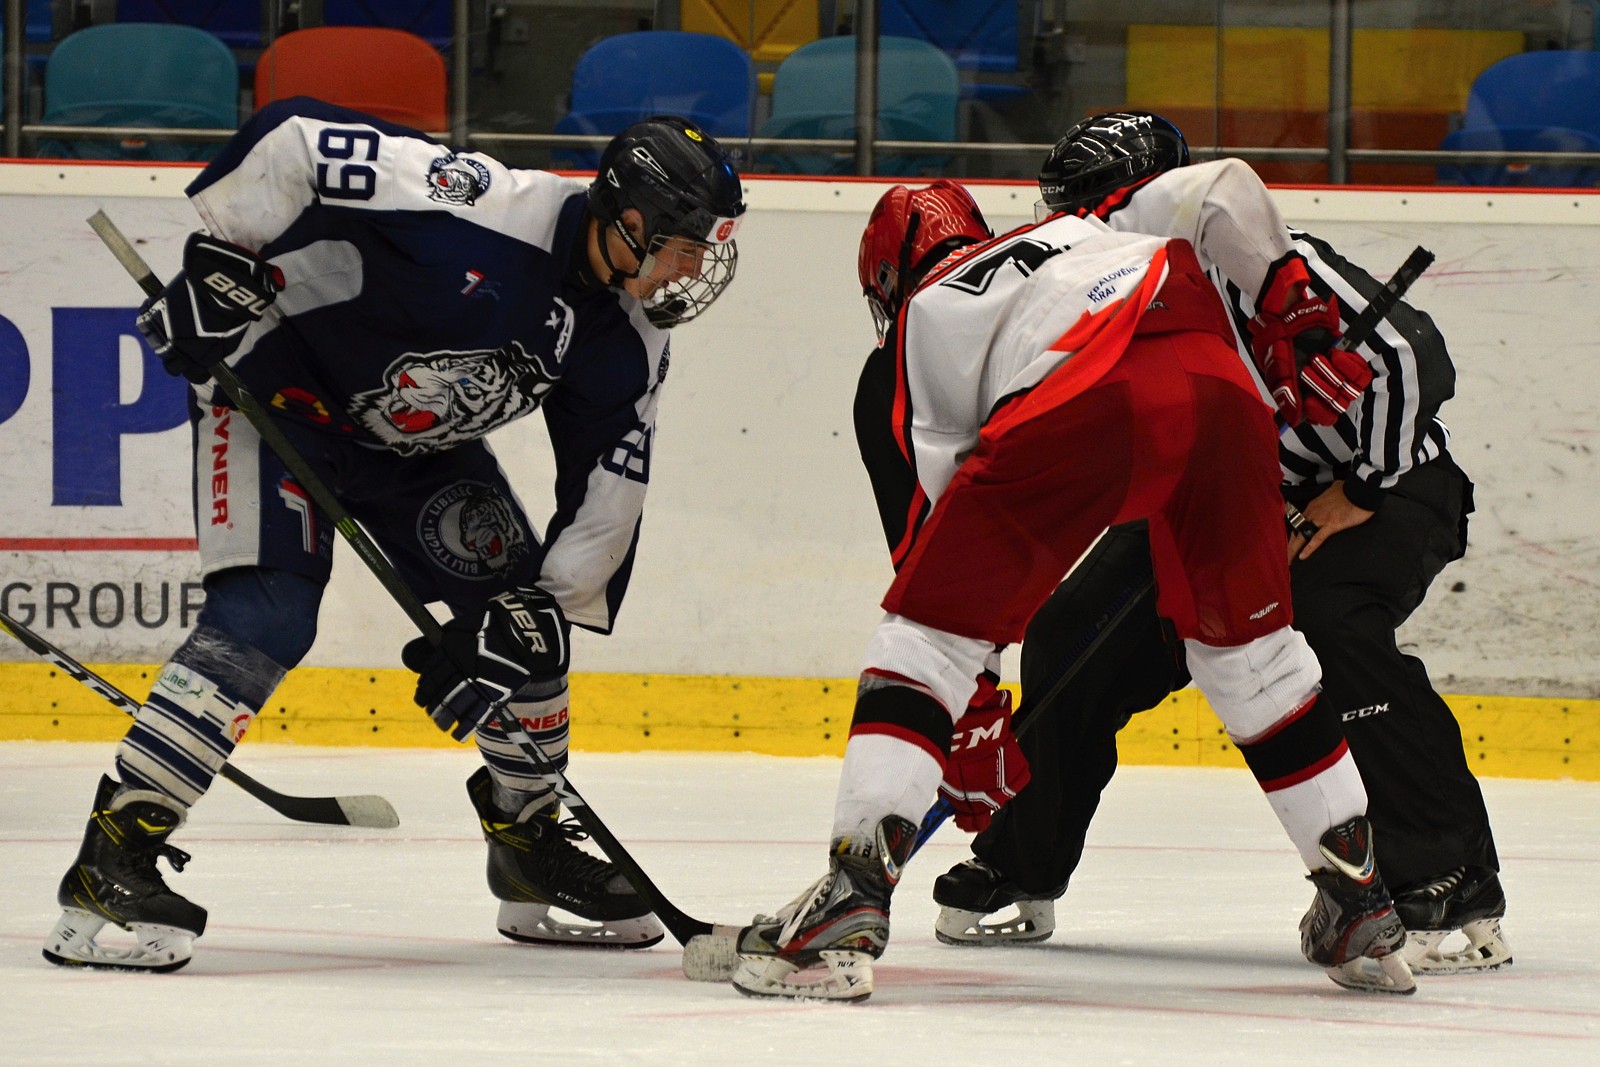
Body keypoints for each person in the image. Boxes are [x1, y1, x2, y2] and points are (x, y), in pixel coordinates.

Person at [43, 98, 745, 972]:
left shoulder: (629, 334)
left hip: (419, 446)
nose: (694, 267)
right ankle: (114, 853)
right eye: (685, 244)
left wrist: (546, 609)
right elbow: (297, 140)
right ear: (630, 221)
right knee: (266, 615)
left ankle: (527, 840)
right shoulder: (484, 202)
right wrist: (226, 258)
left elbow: (611, 486)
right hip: (278, 401)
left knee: (523, 624)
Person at [730, 172, 1414, 1003]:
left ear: (887, 279)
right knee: (1256, 658)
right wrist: (1294, 305)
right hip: (1220, 389)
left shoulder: (914, 330)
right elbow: (1225, 188)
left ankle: (848, 904)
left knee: (922, 642)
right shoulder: (1084, 225)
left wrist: (975, 712)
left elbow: (940, 577)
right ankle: (1359, 901)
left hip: (1084, 394)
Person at [931, 112, 1507, 977]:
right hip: (1224, 499)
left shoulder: (1273, 266)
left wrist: (1356, 486)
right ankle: (1025, 861)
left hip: (1386, 488)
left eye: (1092, 209)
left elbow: (1413, 357)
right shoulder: (1102, 299)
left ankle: (1448, 873)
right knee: (1073, 631)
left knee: (1327, 626)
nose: (1076, 230)